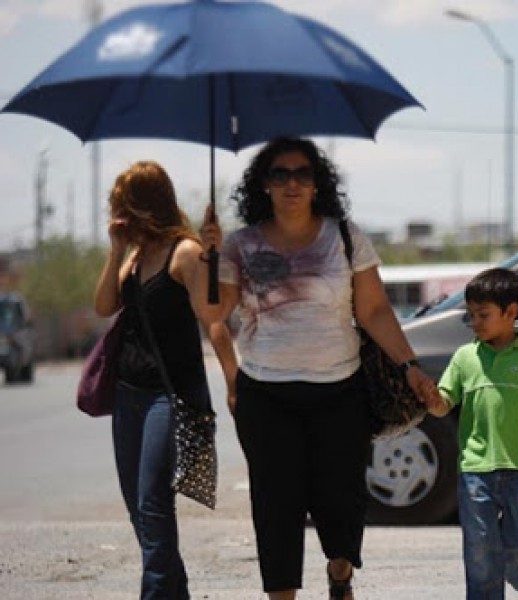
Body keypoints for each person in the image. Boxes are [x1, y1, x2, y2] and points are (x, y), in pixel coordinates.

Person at [199, 136, 436, 600]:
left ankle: (341, 570)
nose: (292, 183)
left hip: (339, 390)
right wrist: (209, 255)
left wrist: (410, 366)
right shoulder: (239, 245)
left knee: (341, 499)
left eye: (302, 173)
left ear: (317, 183)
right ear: (263, 185)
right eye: (280, 174)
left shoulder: (346, 238)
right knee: (275, 505)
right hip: (265, 393)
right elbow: (214, 313)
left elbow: (375, 311)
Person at [93, 161, 237, 599]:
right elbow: (103, 307)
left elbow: (213, 318)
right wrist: (115, 250)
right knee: (139, 512)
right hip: (129, 394)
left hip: (169, 397)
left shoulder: (186, 253)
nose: (116, 217)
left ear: (142, 207)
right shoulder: (135, 255)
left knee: (154, 505)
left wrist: (234, 382)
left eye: (121, 209)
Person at [421, 267, 518, 600]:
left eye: (483, 314)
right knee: (480, 548)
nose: (476, 322)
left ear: (511, 312)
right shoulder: (464, 358)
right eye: (471, 315)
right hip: (475, 473)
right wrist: (431, 400)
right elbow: (444, 405)